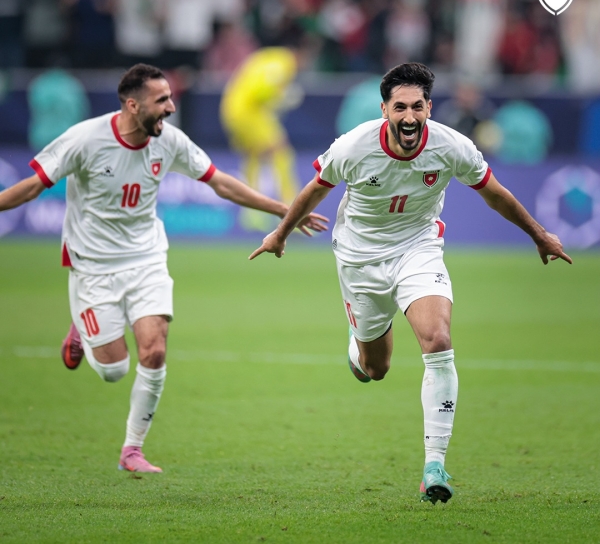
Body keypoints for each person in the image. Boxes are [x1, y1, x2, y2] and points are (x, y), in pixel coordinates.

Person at [250, 62, 572, 504]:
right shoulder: (354, 146)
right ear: (384, 110)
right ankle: (358, 346)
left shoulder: (451, 146)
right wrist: (279, 234)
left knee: (438, 340)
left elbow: (494, 193)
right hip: (360, 260)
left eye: (417, 107)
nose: (409, 116)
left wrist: (539, 234)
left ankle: (434, 466)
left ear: (429, 109)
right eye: (399, 107)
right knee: (375, 369)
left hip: (418, 249)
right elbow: (315, 190)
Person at [0, 63, 328, 474]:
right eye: (162, 100)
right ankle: (81, 327)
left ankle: (132, 450)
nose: (171, 107)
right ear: (132, 105)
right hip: (93, 266)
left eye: (170, 98)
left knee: (155, 350)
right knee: (114, 370)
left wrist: (285, 211)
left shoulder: (169, 140)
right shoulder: (85, 139)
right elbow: (32, 186)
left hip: (146, 258)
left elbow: (220, 182)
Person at [220, 45, 305, 232]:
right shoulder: (285, 63)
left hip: (231, 109)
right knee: (282, 153)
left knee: (254, 157)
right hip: (249, 111)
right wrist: (282, 96)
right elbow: (261, 90)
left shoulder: (266, 56)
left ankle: (252, 213)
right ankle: (292, 212)